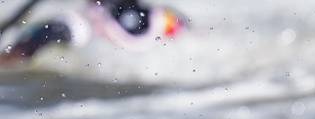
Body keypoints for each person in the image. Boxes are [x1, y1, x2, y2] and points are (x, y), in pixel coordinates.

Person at [0, 0, 185, 64]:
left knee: (61, 27)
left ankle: (9, 57)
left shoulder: (158, 17)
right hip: (116, 48)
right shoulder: (162, 17)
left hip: (93, 37)